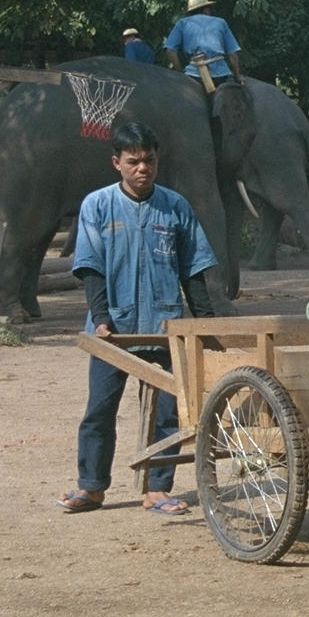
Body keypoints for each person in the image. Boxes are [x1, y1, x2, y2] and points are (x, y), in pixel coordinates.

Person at [55, 122, 219, 516]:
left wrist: (205, 325)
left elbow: (193, 270)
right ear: (117, 162)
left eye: (149, 160)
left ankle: (157, 489)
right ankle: (91, 487)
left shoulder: (176, 206)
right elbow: (90, 265)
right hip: (113, 330)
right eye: (133, 161)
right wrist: (99, 317)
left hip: (165, 330)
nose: (142, 168)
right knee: (100, 410)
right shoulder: (97, 205)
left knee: (168, 412)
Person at [164, 0, 244, 85]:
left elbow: (170, 50)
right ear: (206, 9)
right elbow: (232, 54)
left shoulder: (182, 23)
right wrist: (237, 77)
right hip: (221, 75)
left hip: (193, 74)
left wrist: (180, 72)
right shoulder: (221, 22)